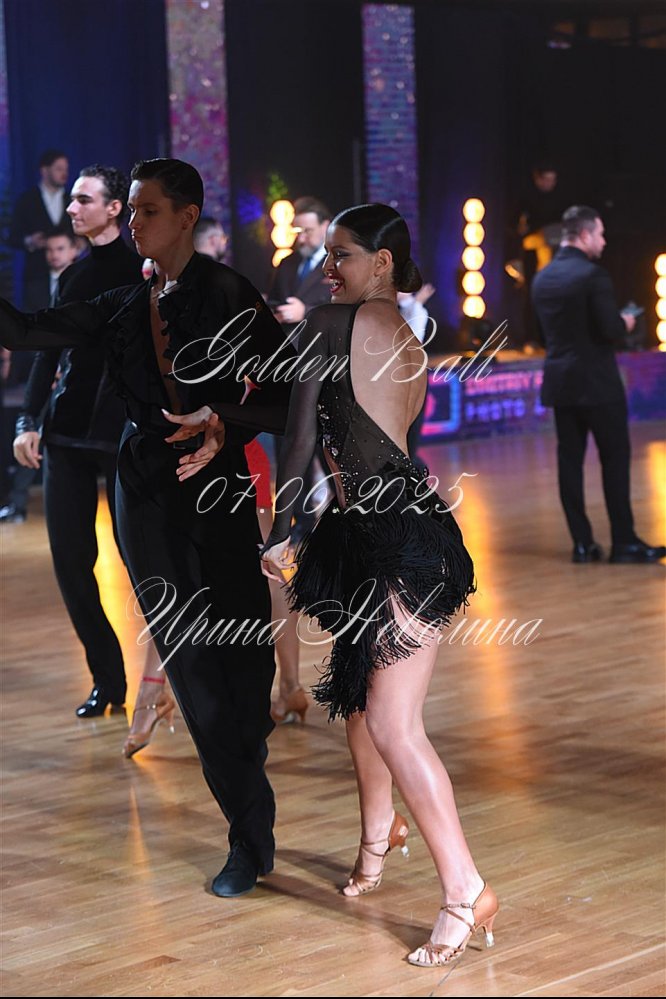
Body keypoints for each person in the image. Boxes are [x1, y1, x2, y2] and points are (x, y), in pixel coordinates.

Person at [0, 158, 295, 897]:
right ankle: (246, 834)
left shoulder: (227, 292)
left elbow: (288, 395)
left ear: (187, 217)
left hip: (217, 486)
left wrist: (223, 419)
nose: (134, 223)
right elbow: (26, 331)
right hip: (144, 491)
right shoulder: (122, 301)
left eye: (148, 211)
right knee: (191, 663)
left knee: (244, 661)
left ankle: (250, 795)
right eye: (130, 210)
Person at [259, 204, 498, 967]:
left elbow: (300, 439)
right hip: (385, 528)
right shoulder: (412, 337)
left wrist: (280, 532)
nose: (328, 268)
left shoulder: (329, 324)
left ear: (383, 261)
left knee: (395, 723)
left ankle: (465, 889)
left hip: (397, 542)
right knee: (363, 699)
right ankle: (376, 834)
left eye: (343, 255)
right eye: (328, 255)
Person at [12, 165, 146, 717]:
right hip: (66, 435)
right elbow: (47, 352)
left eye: (83, 199)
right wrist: (28, 421)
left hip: (126, 437)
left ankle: (177, 684)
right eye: (71, 199)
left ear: (115, 208)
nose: (71, 208)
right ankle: (108, 679)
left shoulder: (144, 271)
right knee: (71, 563)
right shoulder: (74, 274)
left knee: (142, 564)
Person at [532, 205, 666, 564]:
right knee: (615, 459)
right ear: (584, 235)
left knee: (570, 462)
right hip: (597, 384)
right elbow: (610, 330)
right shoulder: (594, 275)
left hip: (561, 383)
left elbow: (541, 334)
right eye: (600, 234)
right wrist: (626, 322)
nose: (604, 241)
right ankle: (624, 542)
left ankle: (582, 544)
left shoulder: (542, 278)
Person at [0, 229, 80, 524]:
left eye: (60, 248)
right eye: (49, 249)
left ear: (74, 249)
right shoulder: (34, 286)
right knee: (29, 429)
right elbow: (28, 328)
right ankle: (18, 503)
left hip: (76, 370)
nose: (54, 255)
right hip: (43, 367)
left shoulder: (84, 281)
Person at [8, 149, 72, 311]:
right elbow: (12, 236)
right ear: (44, 171)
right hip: (36, 274)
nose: (64, 173)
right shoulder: (27, 200)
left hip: (69, 272)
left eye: (66, 169)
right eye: (59, 169)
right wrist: (30, 241)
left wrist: (81, 243)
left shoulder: (72, 199)